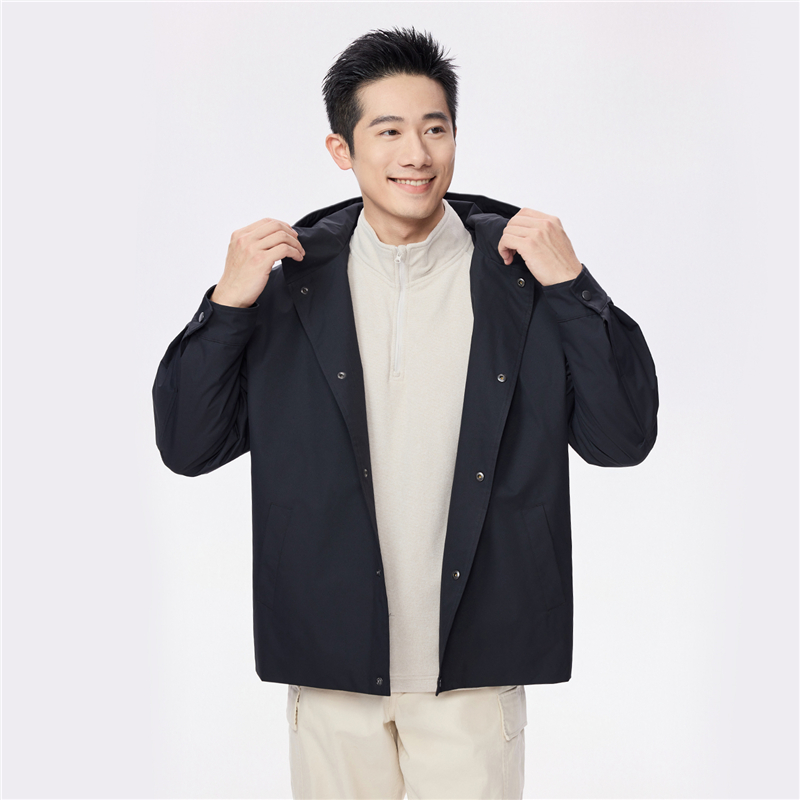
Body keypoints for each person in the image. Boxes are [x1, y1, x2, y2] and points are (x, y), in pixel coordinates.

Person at [152, 25, 659, 800]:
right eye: (388, 131)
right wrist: (226, 305)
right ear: (342, 149)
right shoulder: (288, 283)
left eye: (435, 128)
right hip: (332, 665)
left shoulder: (521, 277)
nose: (416, 154)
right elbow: (188, 445)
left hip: (475, 665)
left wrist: (574, 286)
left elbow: (621, 437)